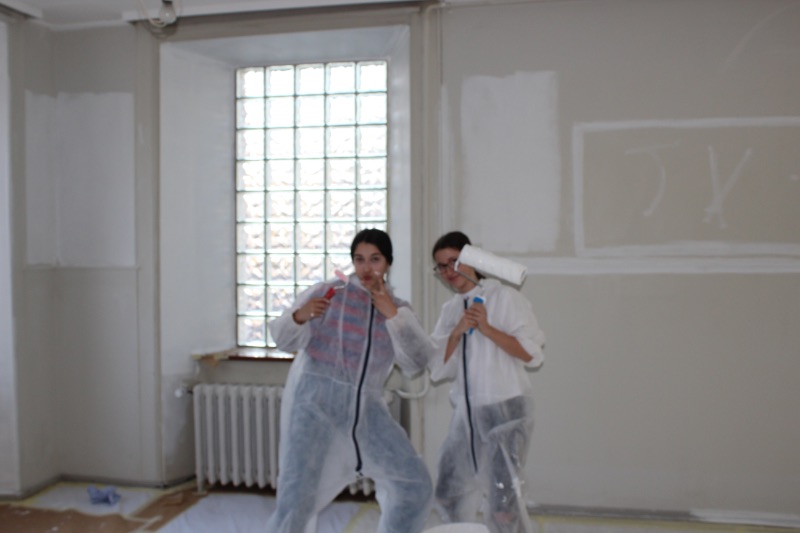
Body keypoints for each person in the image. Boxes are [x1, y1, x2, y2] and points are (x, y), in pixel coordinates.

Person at [266, 228, 434, 533]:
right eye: (359, 259)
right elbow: (283, 338)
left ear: (388, 262)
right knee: (296, 499)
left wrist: (393, 315)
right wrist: (300, 316)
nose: (366, 268)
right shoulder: (330, 294)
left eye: (375, 259)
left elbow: (417, 361)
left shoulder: (398, 309)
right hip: (314, 408)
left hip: (366, 414)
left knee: (414, 484)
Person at [428, 231, 545, 533]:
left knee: (504, 501)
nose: (449, 271)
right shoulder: (450, 310)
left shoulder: (505, 298)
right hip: (466, 417)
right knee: (449, 491)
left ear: (473, 258)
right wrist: (456, 332)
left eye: (455, 261)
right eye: (441, 266)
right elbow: (438, 369)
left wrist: (487, 328)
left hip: (505, 411)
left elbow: (532, 355)